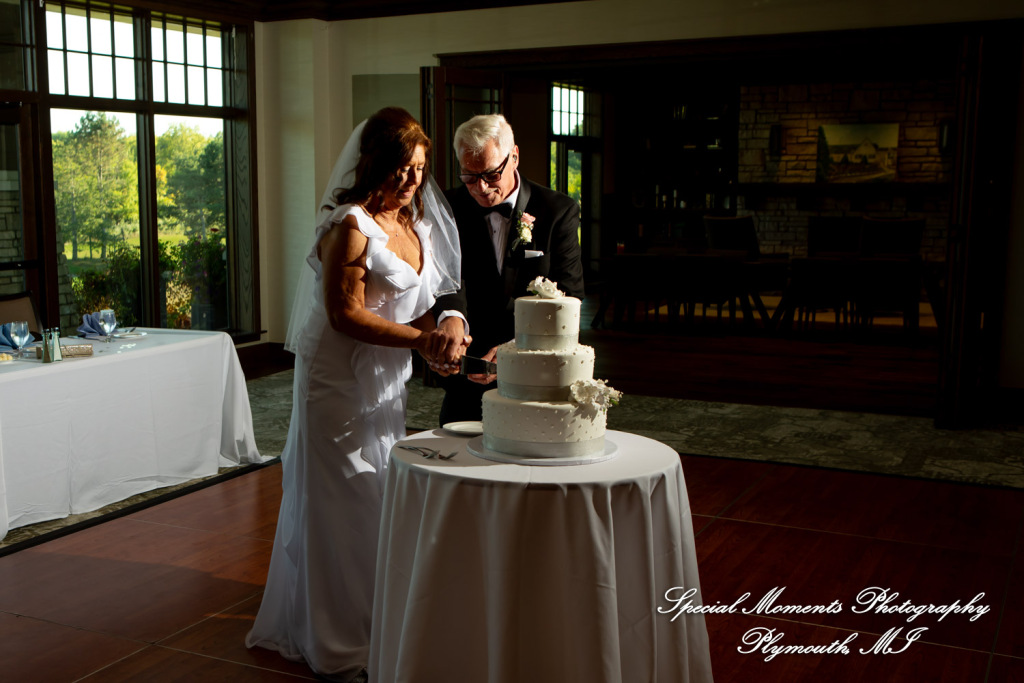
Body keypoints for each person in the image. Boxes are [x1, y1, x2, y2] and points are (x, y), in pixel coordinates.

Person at [245, 107, 465, 682]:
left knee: (378, 491)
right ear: (373, 163)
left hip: (385, 377)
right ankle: (337, 640)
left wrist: (449, 337)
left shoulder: (416, 226)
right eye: (399, 168)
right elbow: (344, 314)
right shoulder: (349, 223)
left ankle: (377, 622)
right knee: (343, 496)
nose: (410, 180)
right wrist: (422, 342)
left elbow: (434, 299)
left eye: (418, 168)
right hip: (337, 378)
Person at [430, 113, 584, 425]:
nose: (481, 188)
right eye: (469, 177)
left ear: (513, 157)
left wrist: (518, 347)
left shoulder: (557, 211)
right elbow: (441, 279)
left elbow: (569, 295)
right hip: (466, 375)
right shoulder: (446, 208)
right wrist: (449, 324)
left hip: (535, 374)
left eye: (490, 174)